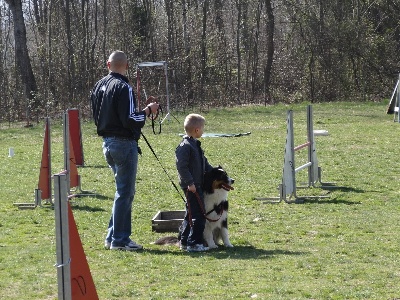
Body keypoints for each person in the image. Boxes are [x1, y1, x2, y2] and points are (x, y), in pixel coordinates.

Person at [91, 50, 159, 251]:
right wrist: (148, 111)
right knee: (125, 193)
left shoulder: (99, 85)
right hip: (123, 144)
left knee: (121, 192)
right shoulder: (124, 87)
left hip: (107, 142)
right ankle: (120, 240)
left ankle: (112, 236)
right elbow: (130, 119)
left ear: (107, 64)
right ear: (126, 66)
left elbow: (97, 116)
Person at [175, 113, 213, 252]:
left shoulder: (195, 145)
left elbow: (204, 164)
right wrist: (190, 183)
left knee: (190, 214)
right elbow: (181, 167)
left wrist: (215, 172)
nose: (203, 131)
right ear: (197, 129)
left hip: (197, 185)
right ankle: (194, 243)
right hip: (192, 186)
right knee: (198, 216)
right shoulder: (185, 146)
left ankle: (184, 241)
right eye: (203, 128)